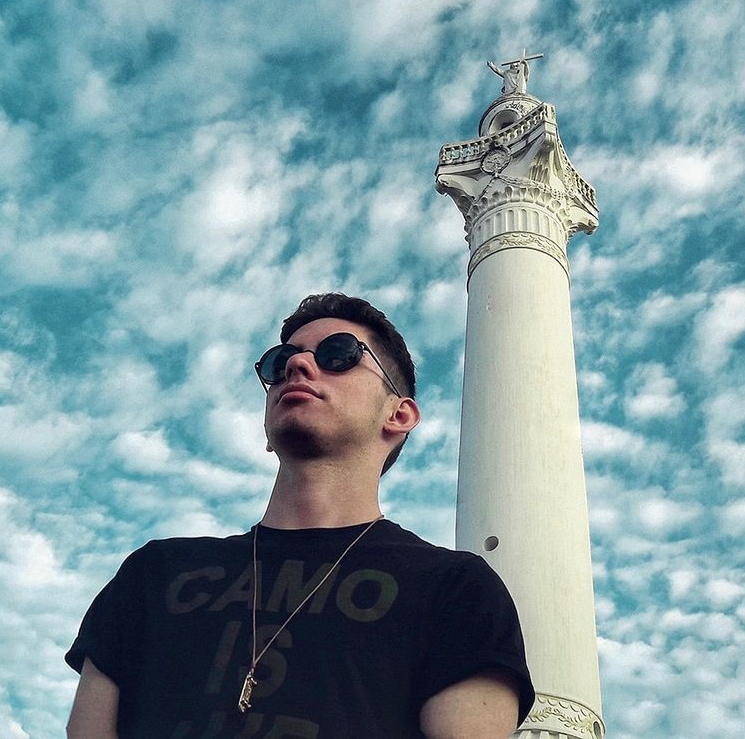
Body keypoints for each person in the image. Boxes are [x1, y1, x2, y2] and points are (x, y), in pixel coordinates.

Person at [65, 293, 534, 738]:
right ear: (267, 430)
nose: (296, 364)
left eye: (339, 354)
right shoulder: (153, 573)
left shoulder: (456, 588)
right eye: (277, 362)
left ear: (399, 415)